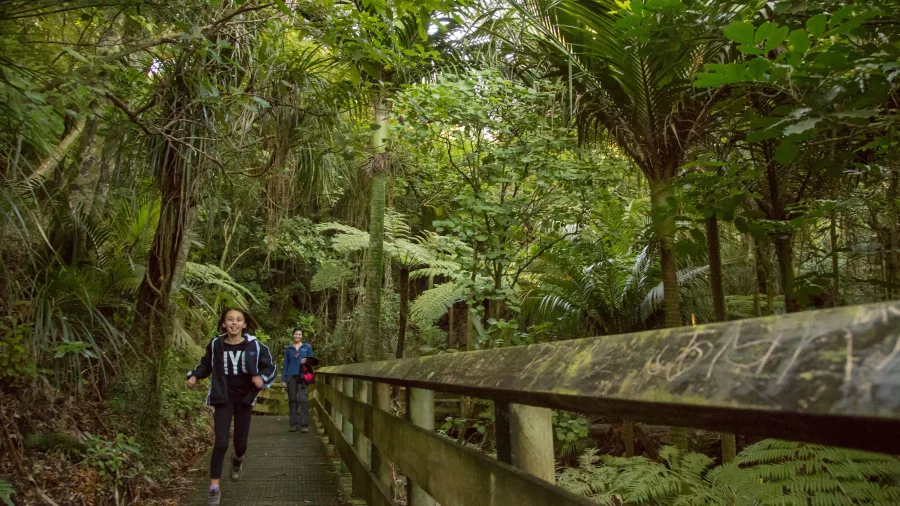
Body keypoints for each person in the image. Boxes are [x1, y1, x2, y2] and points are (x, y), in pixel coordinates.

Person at [186, 308, 277, 506]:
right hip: (223, 398)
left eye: (238, 320)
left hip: (245, 399)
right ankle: (213, 489)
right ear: (224, 323)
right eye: (230, 320)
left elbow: (270, 367)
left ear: (244, 324)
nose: (234, 323)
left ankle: (237, 459)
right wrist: (194, 375)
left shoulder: (255, 346)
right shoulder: (216, 345)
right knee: (220, 442)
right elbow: (205, 365)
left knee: (240, 444)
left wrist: (261, 378)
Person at [281, 327, 313, 432]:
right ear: (293, 335)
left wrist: (306, 361)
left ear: (302, 336)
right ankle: (293, 424)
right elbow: (285, 363)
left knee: (303, 400)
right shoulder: (289, 348)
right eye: (296, 334)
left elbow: (312, 362)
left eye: (299, 334)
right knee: (292, 400)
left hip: (302, 376)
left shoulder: (307, 347)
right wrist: (283, 378)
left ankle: (304, 425)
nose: (297, 336)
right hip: (291, 376)